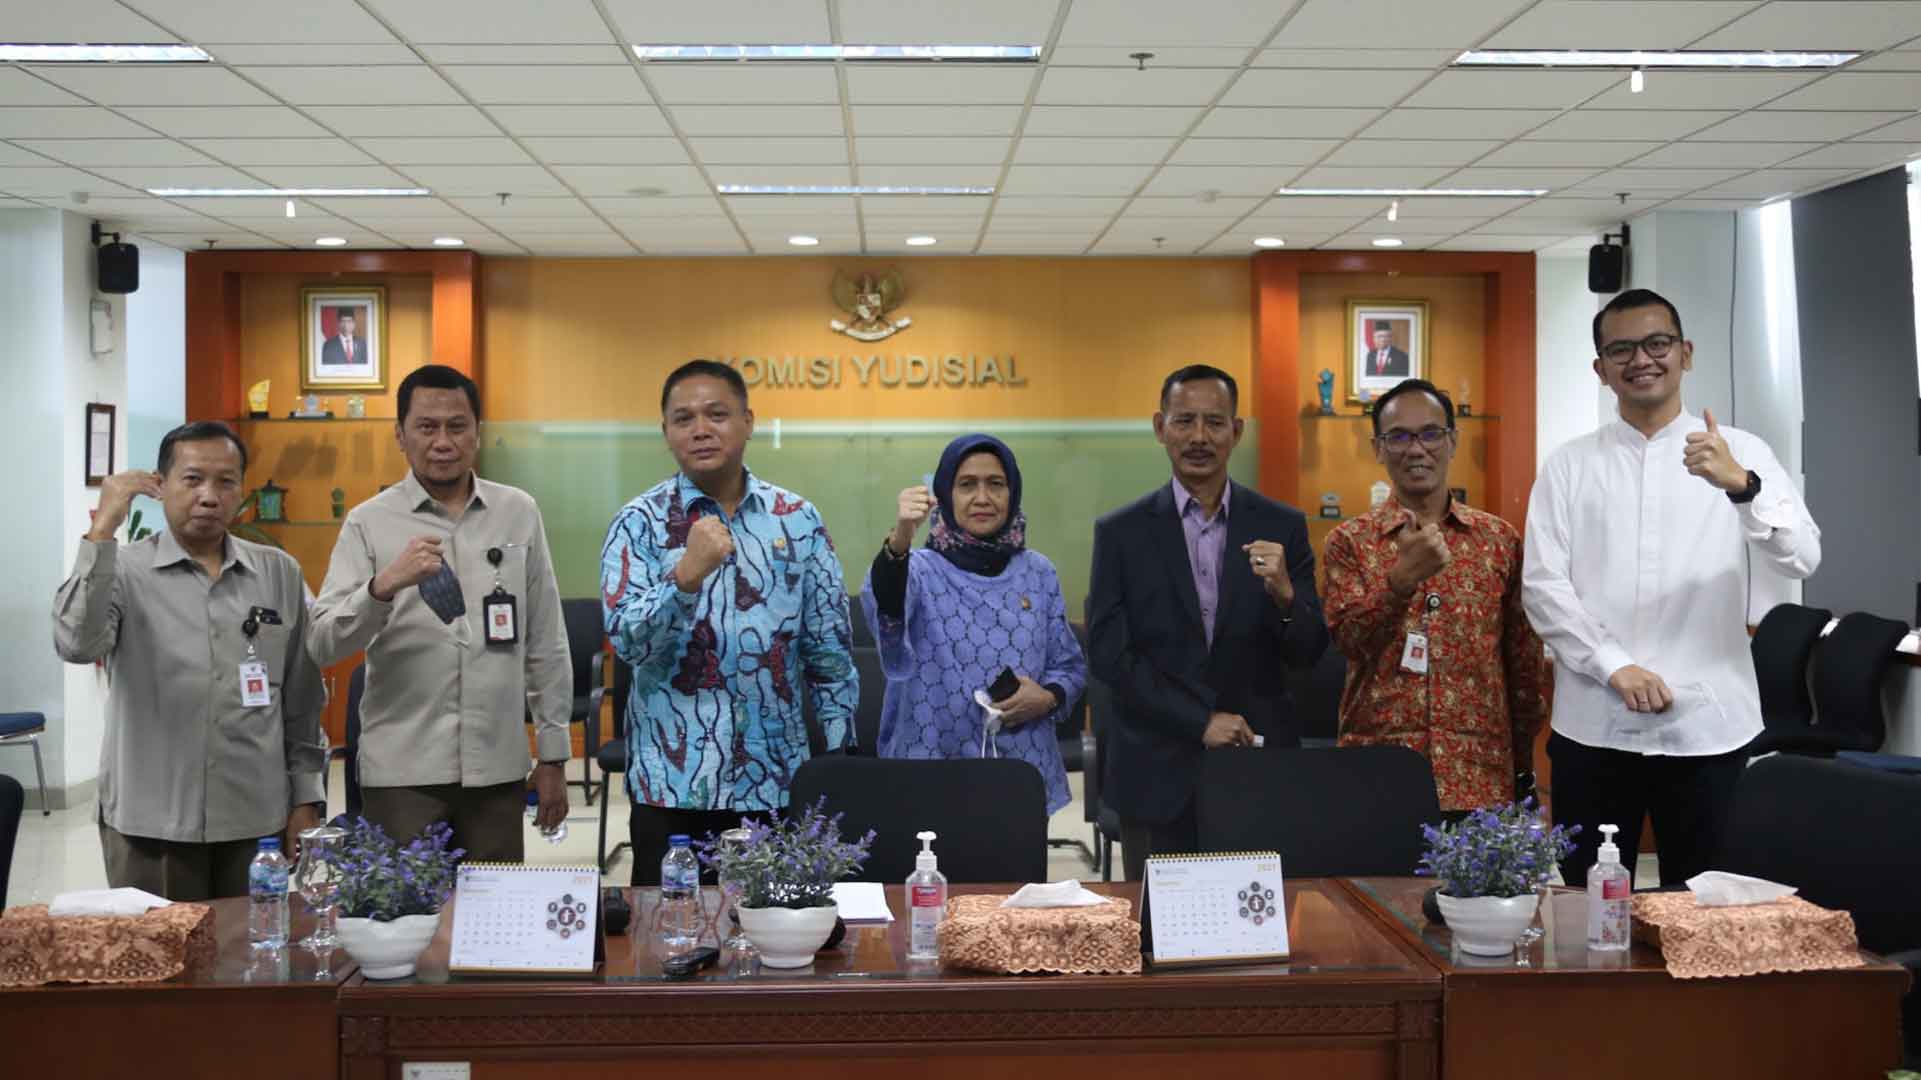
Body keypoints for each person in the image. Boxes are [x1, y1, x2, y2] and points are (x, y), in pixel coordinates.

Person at [1524, 288, 1820, 888]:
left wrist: (1742, 487)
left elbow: (1802, 558)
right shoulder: (1569, 465)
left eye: (1657, 343)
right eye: (1622, 349)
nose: (1642, 359)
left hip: (1709, 728)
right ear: (1601, 369)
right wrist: (1613, 665)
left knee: (1707, 906)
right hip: (1595, 725)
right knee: (1588, 904)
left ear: (1685, 353)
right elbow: (1543, 586)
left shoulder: (1744, 452)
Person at [601, 359, 858, 884]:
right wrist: (684, 578)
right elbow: (628, 645)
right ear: (666, 432)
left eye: (716, 414)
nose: (701, 429)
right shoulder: (638, 523)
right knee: (668, 927)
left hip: (777, 782)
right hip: (671, 788)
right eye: (684, 418)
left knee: (779, 927)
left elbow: (829, 652)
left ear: (748, 421)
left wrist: (840, 758)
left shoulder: (798, 519)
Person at [53, 422, 327, 900]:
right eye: (193, 479)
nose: (209, 496)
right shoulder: (122, 570)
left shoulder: (278, 573)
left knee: (251, 945)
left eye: (226, 482)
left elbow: (302, 698)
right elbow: (76, 644)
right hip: (151, 823)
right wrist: (102, 530)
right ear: (160, 486)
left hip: (254, 821)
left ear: (241, 490)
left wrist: (305, 797)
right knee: (159, 948)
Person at [309, 364, 570, 863]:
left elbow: (545, 639)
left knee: (493, 907)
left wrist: (553, 754)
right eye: (427, 427)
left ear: (477, 432)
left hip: (497, 767)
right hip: (403, 771)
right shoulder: (368, 522)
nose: (443, 442)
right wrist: (383, 586)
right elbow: (322, 642)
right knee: (401, 908)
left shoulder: (518, 512)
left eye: (457, 426)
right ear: (400, 435)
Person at [1089, 364, 1330, 881]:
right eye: (1184, 421)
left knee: (1257, 926)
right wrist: (1199, 721)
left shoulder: (1282, 526)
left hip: (1256, 772)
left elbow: (1308, 652)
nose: (1199, 437)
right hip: (1154, 773)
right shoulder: (1120, 533)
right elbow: (1110, 656)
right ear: (1161, 428)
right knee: (1155, 925)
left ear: (1236, 431)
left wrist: (1286, 595)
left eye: (1215, 422)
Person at [1323, 379, 1546, 817]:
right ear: (1378, 448)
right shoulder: (1349, 542)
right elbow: (1348, 642)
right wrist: (1399, 583)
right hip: (1378, 770)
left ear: (1452, 441)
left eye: (1430, 434)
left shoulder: (1498, 541)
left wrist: (1521, 762)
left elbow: (1523, 664)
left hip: (1478, 773)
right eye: (1398, 437)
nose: (1416, 449)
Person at [860, 434, 1087, 814]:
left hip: (1020, 774)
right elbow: (885, 602)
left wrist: (1048, 697)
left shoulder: (1038, 572)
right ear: (945, 495)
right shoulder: (917, 569)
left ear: (1012, 493)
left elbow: (1070, 667)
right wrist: (900, 539)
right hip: (928, 772)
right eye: (967, 485)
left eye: (995, 484)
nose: (982, 498)